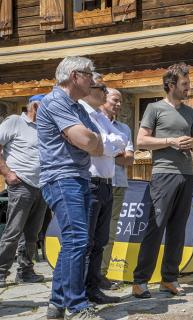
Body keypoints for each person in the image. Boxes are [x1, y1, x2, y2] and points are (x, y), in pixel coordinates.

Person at [37, 56, 104, 320]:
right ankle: (77, 306)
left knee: (74, 242)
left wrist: (89, 140)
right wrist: (88, 141)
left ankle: (56, 305)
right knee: (77, 240)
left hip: (78, 178)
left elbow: (94, 143)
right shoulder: (55, 101)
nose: (94, 79)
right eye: (90, 73)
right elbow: (87, 140)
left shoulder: (76, 107)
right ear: (75, 76)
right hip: (63, 179)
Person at [132, 63, 193, 299]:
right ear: (171, 85)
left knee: (178, 229)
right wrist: (170, 141)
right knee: (156, 226)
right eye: (184, 84)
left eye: (188, 84)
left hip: (186, 175)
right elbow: (141, 140)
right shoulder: (154, 108)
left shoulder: (190, 112)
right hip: (163, 174)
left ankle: (169, 279)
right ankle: (140, 281)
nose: (188, 88)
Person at [79, 76, 127, 304]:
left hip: (107, 184)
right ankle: (77, 293)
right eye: (102, 88)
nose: (104, 92)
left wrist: (104, 144)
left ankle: (93, 289)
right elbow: (94, 145)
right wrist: (106, 145)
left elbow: (121, 140)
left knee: (100, 242)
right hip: (91, 182)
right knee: (85, 242)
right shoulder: (82, 112)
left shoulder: (100, 116)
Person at [0, 95, 48, 288]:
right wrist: (7, 173)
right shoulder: (15, 122)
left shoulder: (44, 128)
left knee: (32, 233)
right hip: (21, 184)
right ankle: (1, 271)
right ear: (34, 106)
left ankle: (25, 271)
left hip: (41, 185)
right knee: (13, 230)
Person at [99, 88, 134, 290]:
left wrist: (108, 152)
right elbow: (94, 150)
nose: (119, 105)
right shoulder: (93, 122)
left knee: (110, 234)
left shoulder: (124, 128)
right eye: (115, 100)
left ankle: (102, 274)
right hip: (97, 183)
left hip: (118, 184)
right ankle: (88, 276)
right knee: (93, 233)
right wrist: (114, 152)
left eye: (121, 101)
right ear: (104, 99)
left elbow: (129, 158)